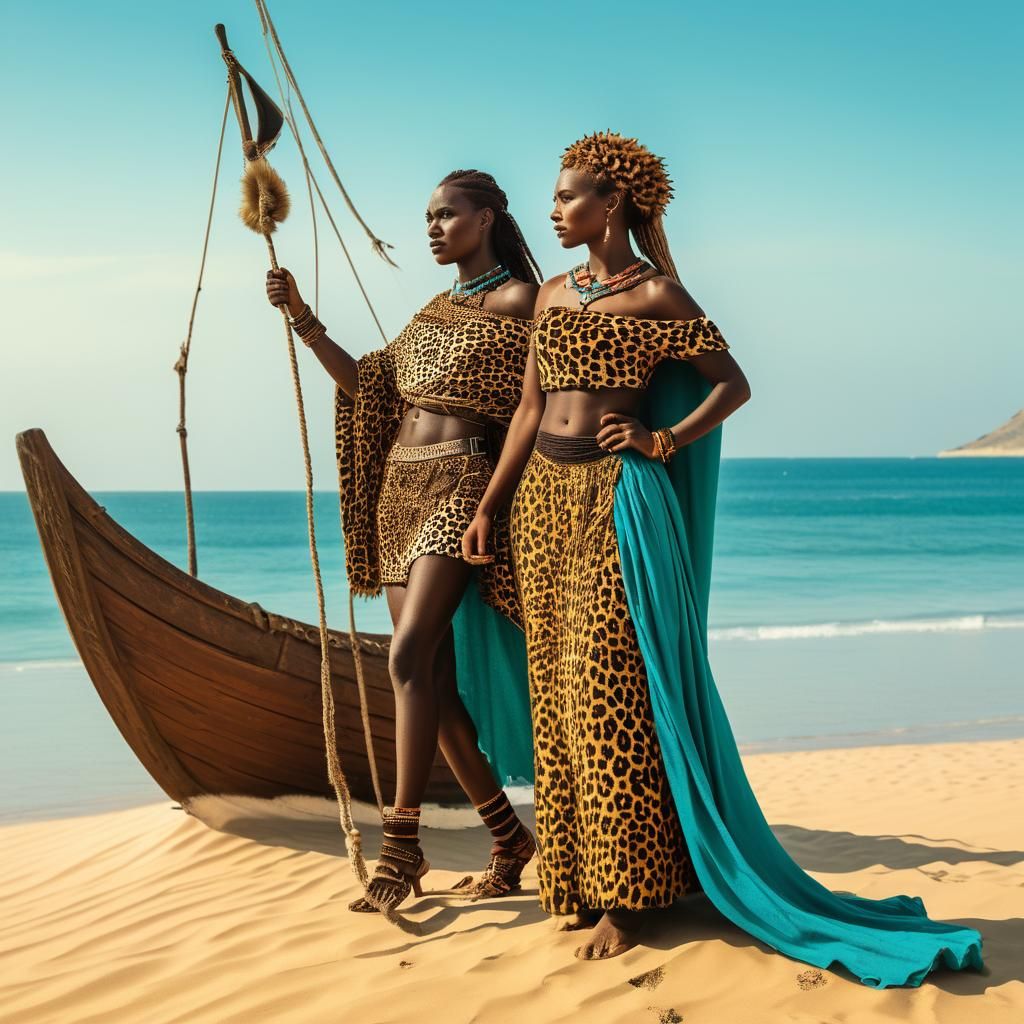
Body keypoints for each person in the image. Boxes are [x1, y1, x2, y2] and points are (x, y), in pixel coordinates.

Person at [462, 132, 983, 986]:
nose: (553, 211)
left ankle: (629, 897)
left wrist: (663, 438)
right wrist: (490, 506)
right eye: (553, 199)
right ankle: (577, 877)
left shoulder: (659, 294)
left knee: (607, 687)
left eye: (568, 197)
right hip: (540, 508)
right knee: (555, 690)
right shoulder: (552, 291)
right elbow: (528, 408)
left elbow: (732, 383)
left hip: (617, 501)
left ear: (614, 202)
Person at [266, 170, 541, 916]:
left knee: (405, 653)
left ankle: (401, 841)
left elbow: (534, 408)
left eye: (446, 215)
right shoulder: (428, 313)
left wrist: (493, 502)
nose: (432, 227)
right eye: (427, 216)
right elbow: (370, 387)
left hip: (462, 482)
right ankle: (507, 838)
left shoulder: (523, 301)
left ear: (485, 219)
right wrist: (303, 318)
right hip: (398, 490)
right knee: (430, 681)